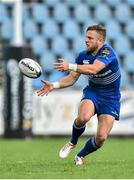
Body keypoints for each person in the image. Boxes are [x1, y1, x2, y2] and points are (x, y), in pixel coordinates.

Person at [37, 24, 121, 165]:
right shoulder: (82, 56)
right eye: (86, 37)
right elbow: (71, 78)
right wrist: (54, 85)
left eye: (90, 38)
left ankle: (80, 156)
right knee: (83, 117)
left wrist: (69, 65)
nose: (86, 40)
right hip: (93, 93)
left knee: (101, 137)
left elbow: (94, 69)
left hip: (111, 98)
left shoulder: (108, 52)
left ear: (100, 41)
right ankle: (72, 142)